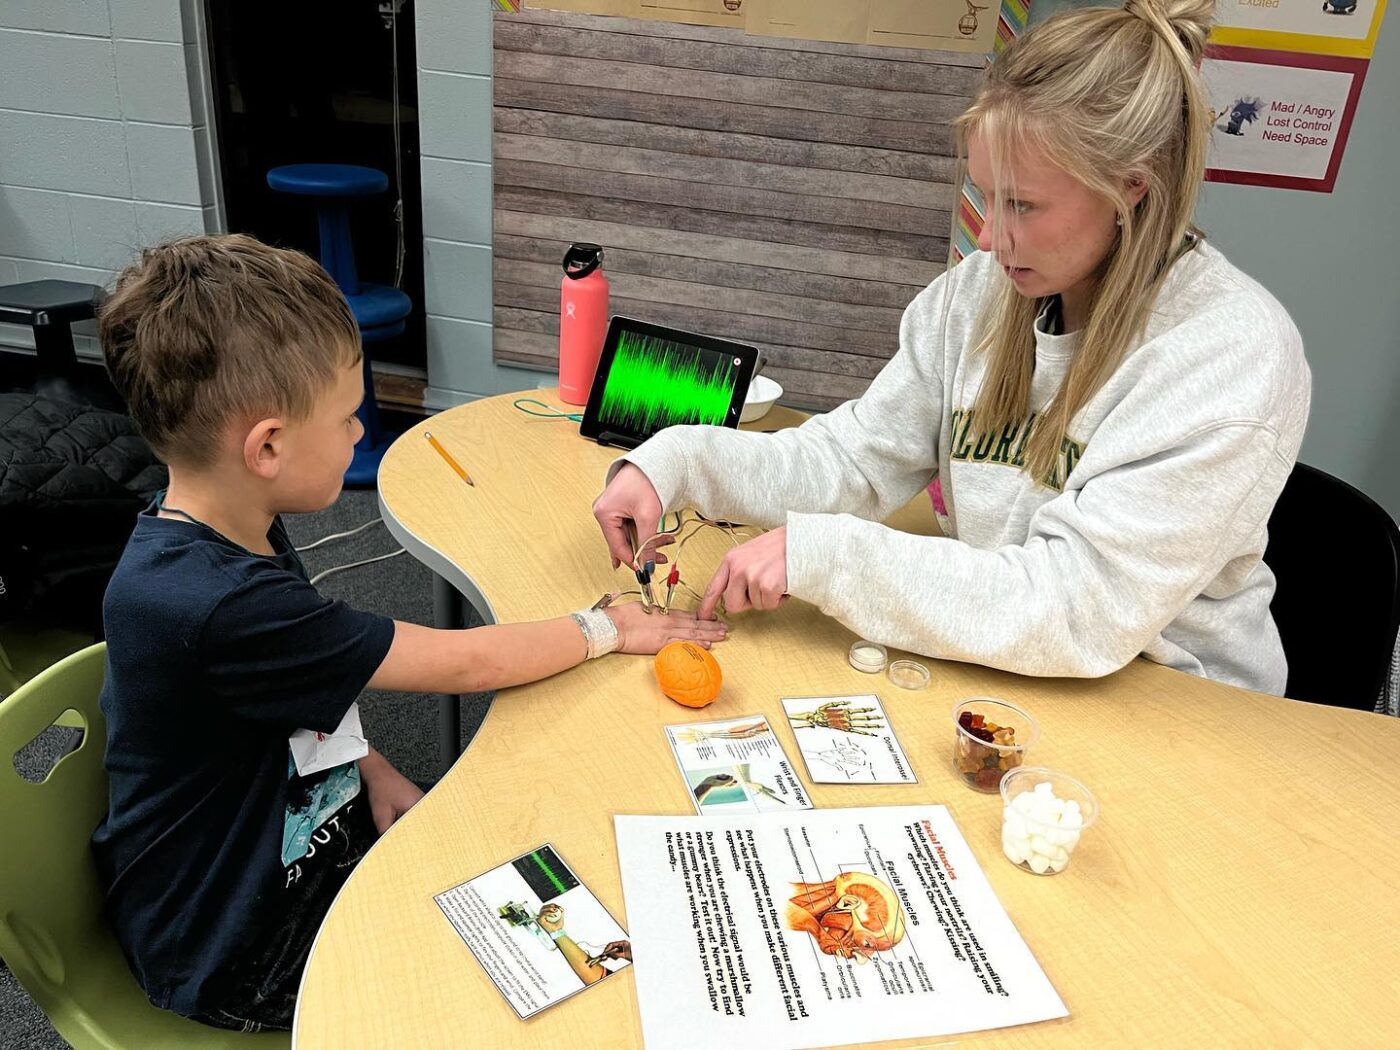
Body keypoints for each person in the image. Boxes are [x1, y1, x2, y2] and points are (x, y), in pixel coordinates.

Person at [91, 234, 726, 1032]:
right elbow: (461, 661)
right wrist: (602, 629)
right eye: (347, 417)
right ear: (267, 447)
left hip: (288, 845)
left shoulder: (226, 528)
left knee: (544, 900)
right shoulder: (217, 602)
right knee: (522, 978)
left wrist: (370, 768)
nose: (361, 432)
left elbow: (293, 691)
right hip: (227, 943)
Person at [593, 0, 1310, 696]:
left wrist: (827, 556)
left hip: (1181, 712)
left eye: (1023, 205)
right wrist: (675, 461)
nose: (990, 239)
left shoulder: (1230, 357)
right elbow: (853, 460)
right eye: (985, 196)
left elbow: (1076, 609)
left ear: (1130, 189)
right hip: (1009, 663)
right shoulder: (982, 293)